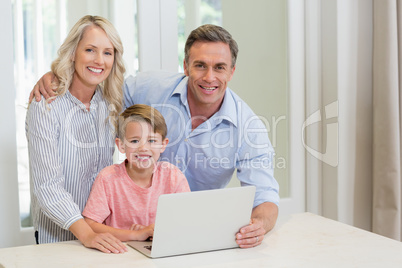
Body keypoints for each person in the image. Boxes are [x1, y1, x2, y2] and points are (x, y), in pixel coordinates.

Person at [31, 24, 280, 248]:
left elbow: (266, 198)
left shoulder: (249, 128)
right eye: (200, 65)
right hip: (99, 235)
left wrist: (258, 225)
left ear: (232, 71)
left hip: (180, 237)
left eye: (220, 68)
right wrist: (57, 76)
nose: (209, 77)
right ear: (185, 66)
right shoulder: (147, 89)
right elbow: (99, 82)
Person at [26, 15, 128, 254]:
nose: (99, 60)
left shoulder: (110, 104)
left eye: (107, 52)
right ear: (73, 53)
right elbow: (47, 187)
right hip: (58, 239)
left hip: (102, 237)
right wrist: (87, 234)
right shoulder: (46, 105)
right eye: (90, 50)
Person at [82, 104, 190, 241]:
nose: (143, 148)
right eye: (134, 141)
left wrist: (151, 231)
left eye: (151, 140)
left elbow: (186, 221)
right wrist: (135, 235)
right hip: (118, 252)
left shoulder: (173, 176)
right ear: (121, 145)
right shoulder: (108, 178)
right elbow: (90, 224)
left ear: (163, 144)